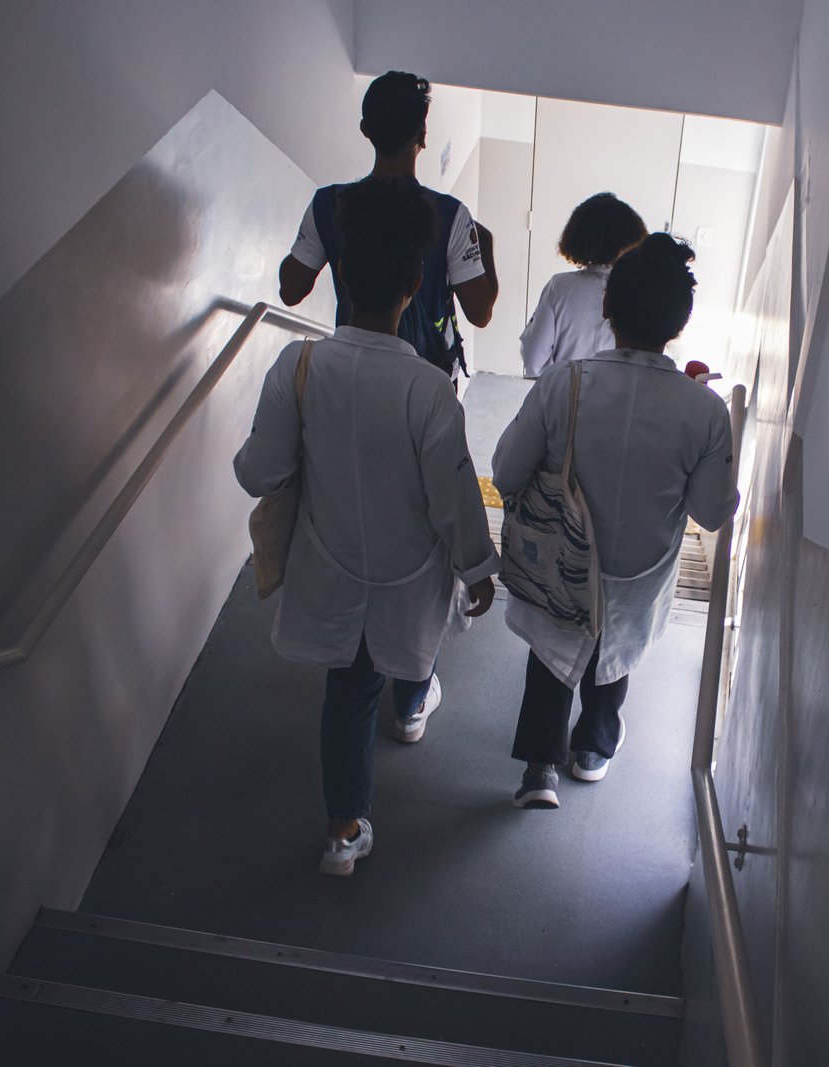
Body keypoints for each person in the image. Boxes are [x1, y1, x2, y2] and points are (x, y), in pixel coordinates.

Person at [235, 180, 498, 875]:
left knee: (348, 691)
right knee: (413, 644)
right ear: (416, 285)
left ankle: (343, 834)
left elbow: (258, 473)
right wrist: (477, 566)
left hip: (331, 562)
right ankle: (412, 705)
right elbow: (452, 498)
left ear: (343, 275)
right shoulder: (429, 391)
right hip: (411, 573)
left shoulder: (298, 365)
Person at [492, 234, 739, 808]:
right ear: (680, 323)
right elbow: (709, 511)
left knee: (551, 650)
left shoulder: (563, 384)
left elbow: (505, 472)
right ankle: (593, 749)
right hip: (638, 575)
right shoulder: (704, 411)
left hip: (560, 563)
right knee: (616, 654)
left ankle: (538, 770)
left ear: (607, 307)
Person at [278, 71, 498, 383]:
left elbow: (290, 291)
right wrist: (485, 243)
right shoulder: (450, 216)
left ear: (365, 130)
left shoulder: (328, 205)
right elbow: (480, 313)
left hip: (349, 373)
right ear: (422, 135)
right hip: (423, 379)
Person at [518, 192, 647, 378]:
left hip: (566, 398)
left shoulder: (559, 287)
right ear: (635, 236)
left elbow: (533, 361)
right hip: (622, 399)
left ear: (577, 236)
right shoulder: (642, 289)